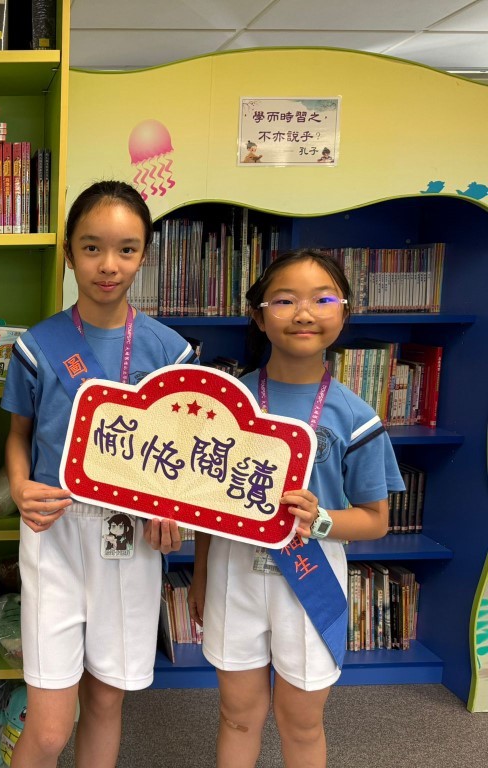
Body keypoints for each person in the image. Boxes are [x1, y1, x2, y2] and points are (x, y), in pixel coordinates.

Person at [1, 180, 195, 768]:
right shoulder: (38, 346)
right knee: (50, 727)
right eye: (92, 248)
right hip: (54, 529)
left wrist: (173, 509)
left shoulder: (171, 352)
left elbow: (183, 457)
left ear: (143, 255)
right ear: (68, 252)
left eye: (126, 249)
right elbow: (19, 435)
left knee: (107, 701)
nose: (109, 265)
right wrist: (19, 487)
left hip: (130, 535)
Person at [188, 249, 403, 768]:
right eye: (285, 301)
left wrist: (321, 518)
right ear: (259, 316)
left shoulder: (355, 415)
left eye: (322, 300)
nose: (304, 313)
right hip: (234, 573)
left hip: (312, 577)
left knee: (301, 723)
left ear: (344, 312)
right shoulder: (227, 402)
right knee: (237, 716)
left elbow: (375, 519)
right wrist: (201, 574)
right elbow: (206, 506)